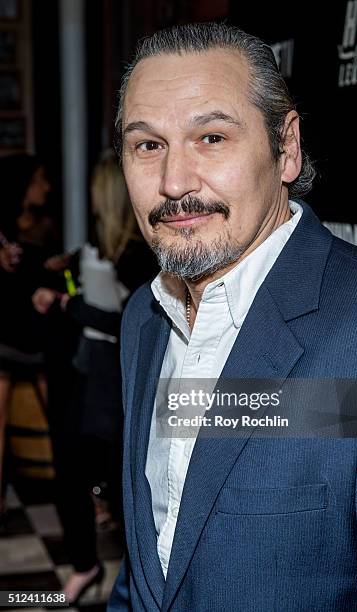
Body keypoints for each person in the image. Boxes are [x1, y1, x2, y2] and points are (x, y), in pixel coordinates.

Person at [108, 23, 357, 611]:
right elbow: (156, 555)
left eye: (211, 138)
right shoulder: (144, 318)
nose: (173, 182)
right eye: (148, 145)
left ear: (286, 146)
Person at [33, 149, 158, 605]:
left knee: (124, 482)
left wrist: (70, 304)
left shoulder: (142, 257)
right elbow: (88, 290)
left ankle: (136, 584)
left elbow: (127, 321)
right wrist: (66, 278)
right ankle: (86, 567)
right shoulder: (99, 244)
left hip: (119, 383)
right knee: (69, 475)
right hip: (84, 377)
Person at [0, 154, 63, 523]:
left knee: (57, 418)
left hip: (39, 337)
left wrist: (54, 268)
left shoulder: (46, 225)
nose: (47, 187)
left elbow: (43, 278)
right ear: (23, 185)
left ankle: (71, 494)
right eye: (40, 180)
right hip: (7, 334)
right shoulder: (3, 227)